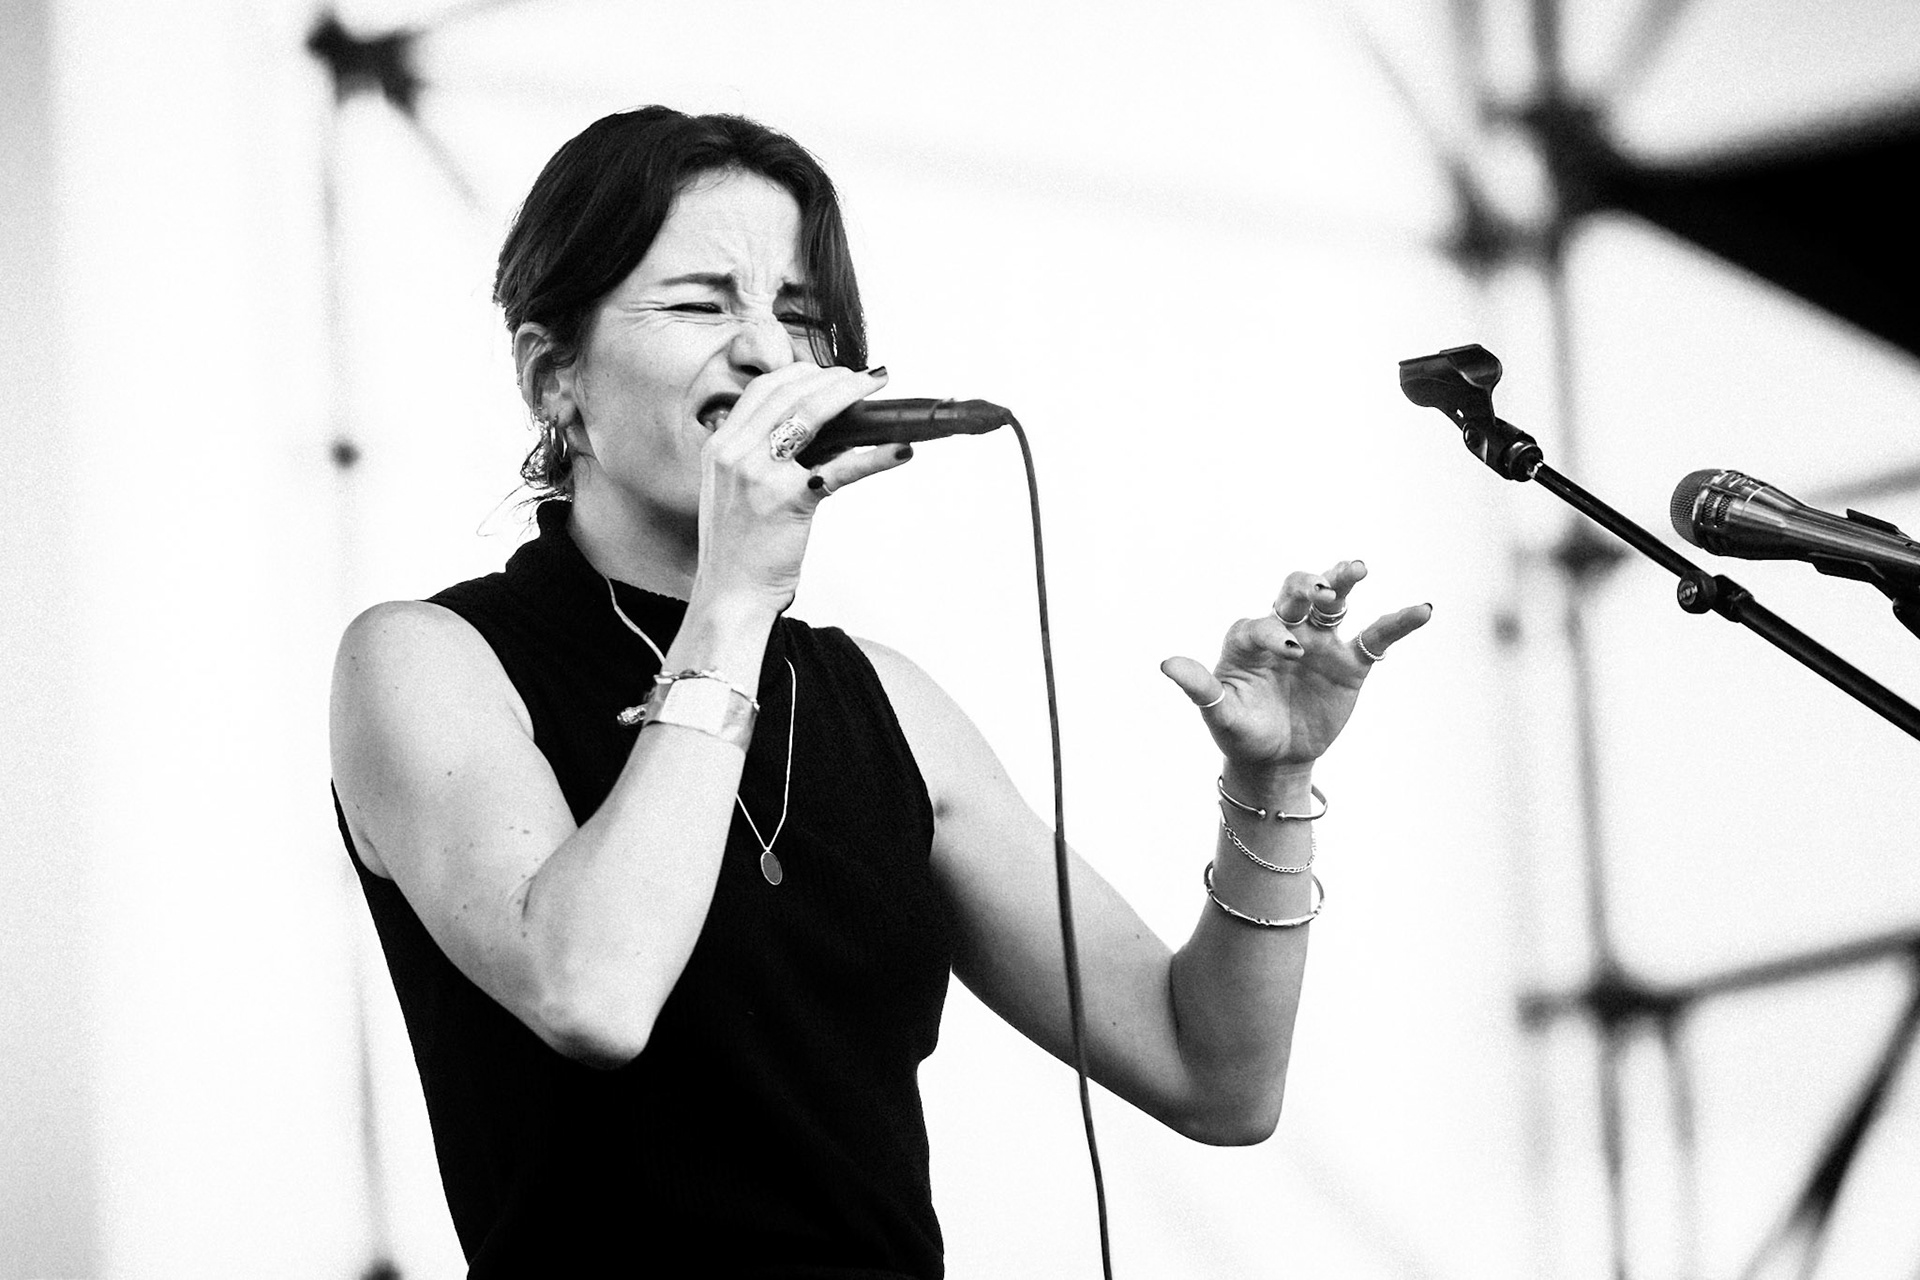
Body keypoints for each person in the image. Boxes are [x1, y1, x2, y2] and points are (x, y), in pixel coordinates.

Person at [329, 105, 1431, 1278]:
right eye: (704, 303)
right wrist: (736, 601)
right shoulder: (428, 659)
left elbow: (1214, 1074)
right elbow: (592, 991)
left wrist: (1269, 782)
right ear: (554, 376)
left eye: (799, 314)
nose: (765, 352)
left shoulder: (885, 707)